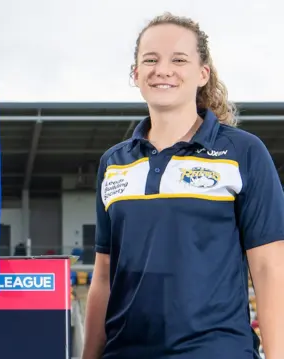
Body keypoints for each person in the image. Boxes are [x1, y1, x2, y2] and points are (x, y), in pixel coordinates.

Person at [82, 12, 284, 359]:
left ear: (202, 73)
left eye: (179, 59)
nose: (163, 69)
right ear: (136, 74)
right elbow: (103, 276)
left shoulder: (244, 152)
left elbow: (269, 268)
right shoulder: (114, 163)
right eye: (151, 60)